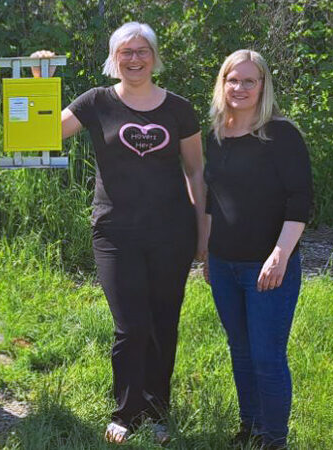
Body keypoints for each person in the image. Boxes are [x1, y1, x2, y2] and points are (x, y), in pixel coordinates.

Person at [33, 22, 207, 444]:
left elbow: (196, 170)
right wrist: (41, 86)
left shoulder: (179, 108)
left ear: (154, 56)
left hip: (171, 232)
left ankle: (157, 411)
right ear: (114, 58)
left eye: (142, 50)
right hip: (114, 232)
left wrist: (203, 236)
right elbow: (42, 133)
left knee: (164, 323)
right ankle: (126, 412)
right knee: (130, 325)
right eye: (126, 51)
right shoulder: (96, 102)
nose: (134, 58)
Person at [204, 50, 312, 450]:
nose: (241, 88)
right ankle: (249, 430)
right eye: (233, 80)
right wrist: (206, 254)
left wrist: (280, 255)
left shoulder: (281, 134)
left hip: (268, 266)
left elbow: (300, 201)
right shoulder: (215, 134)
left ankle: (274, 440)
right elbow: (213, 200)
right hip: (223, 263)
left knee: (267, 357)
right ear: (223, 83)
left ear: (263, 85)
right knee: (242, 352)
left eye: (250, 81)